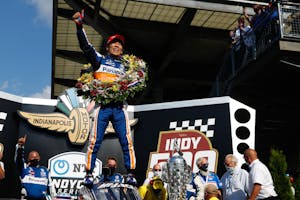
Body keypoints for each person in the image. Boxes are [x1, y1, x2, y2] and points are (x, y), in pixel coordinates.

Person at [72, 10, 137, 186]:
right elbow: (86, 47)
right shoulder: (100, 60)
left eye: (119, 44)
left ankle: (130, 173)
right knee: (95, 141)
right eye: (113, 44)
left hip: (118, 108)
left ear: (122, 49)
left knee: (126, 140)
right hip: (102, 107)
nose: (117, 46)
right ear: (107, 47)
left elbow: (137, 83)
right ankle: (88, 174)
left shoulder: (127, 68)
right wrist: (79, 26)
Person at [15, 135, 51, 199]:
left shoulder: (45, 170)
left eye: (36, 158)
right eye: (32, 158)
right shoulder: (24, 168)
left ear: (39, 158)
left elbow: (51, 187)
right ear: (28, 159)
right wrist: (20, 147)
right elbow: (18, 159)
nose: (34, 159)